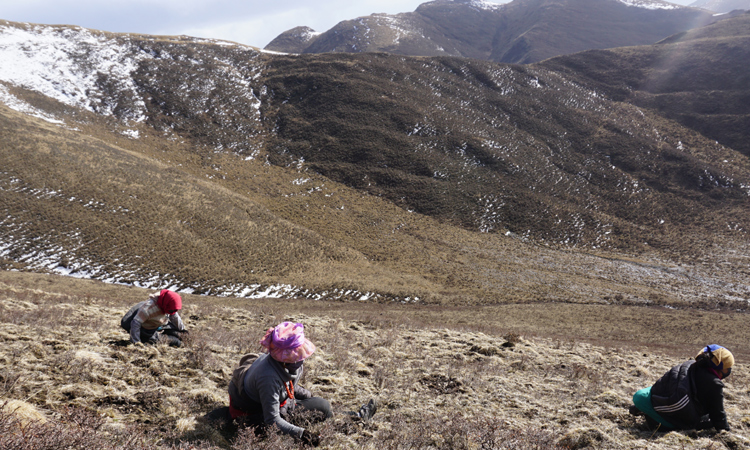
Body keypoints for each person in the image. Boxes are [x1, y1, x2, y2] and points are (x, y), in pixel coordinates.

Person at [226, 322, 377, 447]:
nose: (301, 359)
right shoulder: (268, 377)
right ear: (285, 358)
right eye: (296, 355)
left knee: (318, 404)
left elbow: (289, 385)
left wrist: (308, 396)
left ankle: (353, 417)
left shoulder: (284, 363)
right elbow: (272, 420)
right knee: (322, 408)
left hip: (275, 403)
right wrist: (302, 434)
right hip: (257, 416)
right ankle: (355, 419)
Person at [629, 345, 734, 432]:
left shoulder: (691, 365)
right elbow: (718, 415)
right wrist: (726, 432)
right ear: (718, 366)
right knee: (706, 419)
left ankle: (644, 410)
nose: (729, 370)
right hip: (668, 422)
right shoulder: (714, 384)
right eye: (727, 367)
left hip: (657, 401)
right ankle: (653, 416)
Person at [120, 289, 187, 347]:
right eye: (171, 310)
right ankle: (151, 338)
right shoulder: (148, 309)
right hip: (146, 330)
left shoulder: (168, 304)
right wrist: (137, 342)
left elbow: (174, 316)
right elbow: (135, 323)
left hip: (159, 325)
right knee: (177, 342)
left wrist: (182, 329)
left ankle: (162, 333)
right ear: (166, 304)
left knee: (179, 334)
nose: (172, 312)